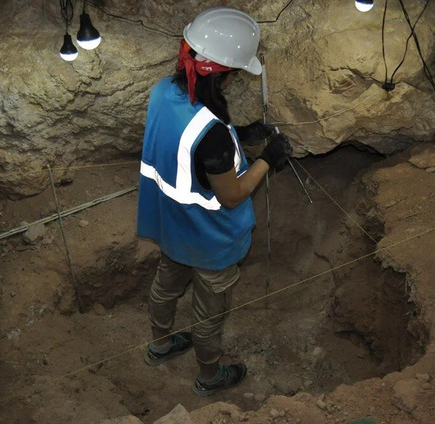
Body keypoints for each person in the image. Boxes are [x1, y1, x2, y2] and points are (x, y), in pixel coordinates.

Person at [136, 7, 292, 397]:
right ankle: (209, 377)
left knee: (166, 284)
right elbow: (232, 194)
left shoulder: (163, 92)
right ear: (224, 72)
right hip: (210, 239)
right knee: (209, 313)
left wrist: (241, 132)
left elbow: (189, 142)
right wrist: (267, 159)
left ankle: (159, 345)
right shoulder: (214, 137)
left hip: (171, 225)